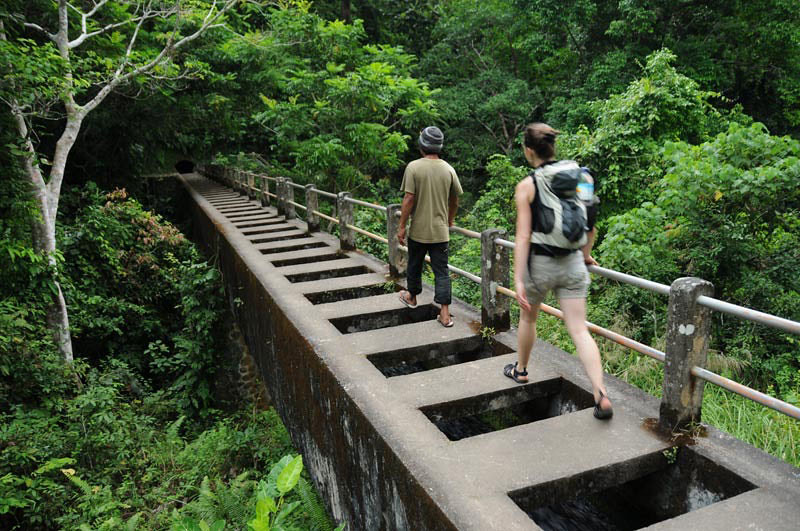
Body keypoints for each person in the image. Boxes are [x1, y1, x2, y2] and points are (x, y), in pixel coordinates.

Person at [503, 122, 613, 420]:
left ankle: (522, 370)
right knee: (579, 329)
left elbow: (523, 236)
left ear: (528, 151)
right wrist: (586, 256)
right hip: (573, 263)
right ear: (553, 147)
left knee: (528, 316)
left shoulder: (527, 185)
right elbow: (590, 221)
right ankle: (600, 394)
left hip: (539, 264)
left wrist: (518, 279)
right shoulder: (582, 176)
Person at [397, 126, 463, 327]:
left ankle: (412, 297)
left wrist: (401, 226)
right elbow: (455, 201)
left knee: (415, 264)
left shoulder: (414, 167)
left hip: (418, 230)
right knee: (441, 271)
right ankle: (444, 314)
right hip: (441, 232)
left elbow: (409, 199)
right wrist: (450, 220)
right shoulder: (448, 169)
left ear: (422, 145)